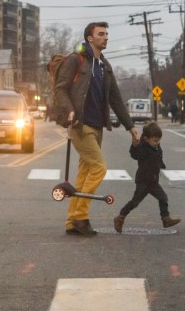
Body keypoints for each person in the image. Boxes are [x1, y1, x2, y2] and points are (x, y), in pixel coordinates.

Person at [54, 21, 139, 237]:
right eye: (101, 34)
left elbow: (116, 100)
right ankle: (81, 217)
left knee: (85, 173)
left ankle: (72, 221)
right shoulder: (76, 60)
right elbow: (61, 89)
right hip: (80, 124)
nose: (106, 37)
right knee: (99, 168)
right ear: (90, 38)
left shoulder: (104, 66)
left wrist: (130, 127)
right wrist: (69, 110)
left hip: (97, 126)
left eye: (107, 34)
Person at [113, 122, 181, 233]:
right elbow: (134, 154)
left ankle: (166, 219)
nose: (157, 143)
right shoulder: (142, 148)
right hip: (143, 181)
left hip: (153, 180)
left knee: (163, 198)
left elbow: (158, 156)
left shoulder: (156, 147)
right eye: (155, 140)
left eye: (158, 140)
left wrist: (161, 164)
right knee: (135, 202)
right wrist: (134, 145)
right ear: (146, 138)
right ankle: (120, 218)